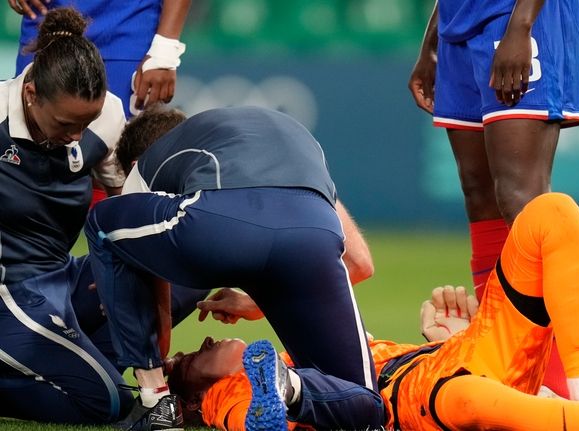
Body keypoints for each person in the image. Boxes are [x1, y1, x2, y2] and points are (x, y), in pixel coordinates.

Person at [167, 211, 579, 431]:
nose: (210, 338)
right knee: (467, 397)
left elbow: (332, 285)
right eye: (194, 355)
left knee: (552, 216)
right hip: (426, 406)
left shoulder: (290, 350)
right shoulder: (229, 397)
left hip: (460, 356)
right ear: (198, 392)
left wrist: (442, 339)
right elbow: (253, 422)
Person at [83, 105, 384, 430]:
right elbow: (359, 263)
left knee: (102, 223)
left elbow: (160, 325)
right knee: (363, 402)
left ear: (132, 164)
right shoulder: (273, 139)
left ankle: (155, 402)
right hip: (315, 232)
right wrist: (257, 302)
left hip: (222, 228)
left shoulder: (146, 166)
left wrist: (123, 289)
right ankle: (288, 385)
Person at [408, 0, 579, 398]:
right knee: (480, 193)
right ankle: (512, 367)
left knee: (520, 196)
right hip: (460, 25)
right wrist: (432, 41)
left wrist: (521, 25)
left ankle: (563, 383)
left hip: (518, 17)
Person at [0, 7, 133, 425]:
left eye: (86, 123)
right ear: (31, 94)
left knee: (177, 273)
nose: (77, 136)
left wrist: (122, 273)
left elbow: (119, 201)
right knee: (113, 402)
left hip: (63, 280)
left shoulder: (109, 114)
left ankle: (60, 360)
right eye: (65, 123)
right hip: (9, 294)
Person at [10, 0, 191, 118]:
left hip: (126, 24)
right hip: (45, 17)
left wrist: (165, 48)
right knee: (26, 147)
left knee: (117, 161)